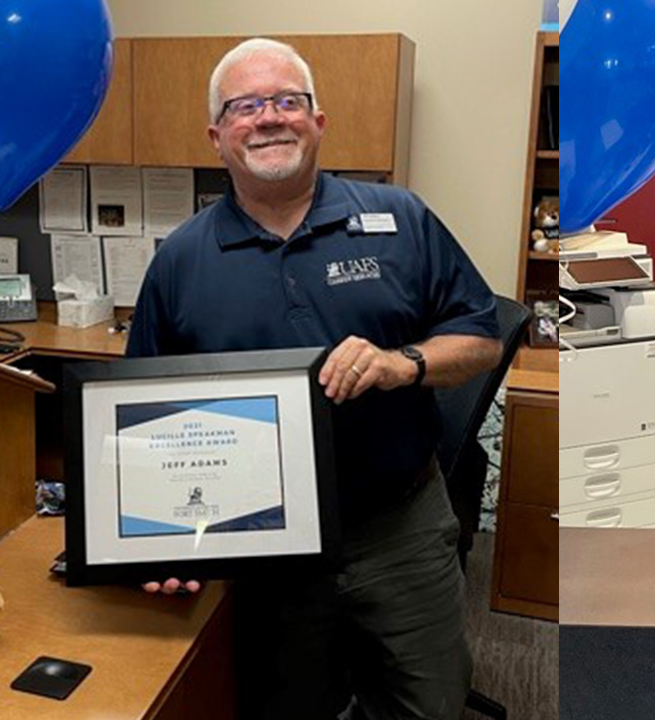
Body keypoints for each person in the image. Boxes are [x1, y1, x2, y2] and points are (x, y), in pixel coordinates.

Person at [126, 37, 502, 719]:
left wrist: (401, 363)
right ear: (217, 136)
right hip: (261, 545)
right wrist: (156, 543)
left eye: (287, 101)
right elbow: (143, 418)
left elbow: (479, 337)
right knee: (286, 705)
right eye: (245, 106)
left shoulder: (400, 221)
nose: (268, 117)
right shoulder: (179, 261)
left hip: (398, 524)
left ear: (318, 121)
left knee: (428, 702)